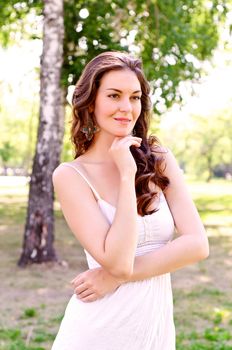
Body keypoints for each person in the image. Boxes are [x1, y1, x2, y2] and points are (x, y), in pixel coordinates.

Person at [51, 51, 209, 350]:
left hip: (153, 329)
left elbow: (197, 244)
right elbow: (118, 262)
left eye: (135, 97)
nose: (126, 107)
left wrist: (113, 278)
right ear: (91, 102)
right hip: (97, 331)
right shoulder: (71, 176)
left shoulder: (159, 159)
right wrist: (127, 175)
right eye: (114, 95)